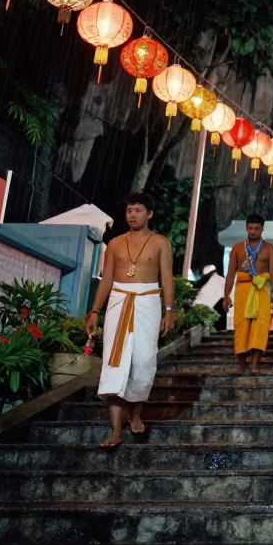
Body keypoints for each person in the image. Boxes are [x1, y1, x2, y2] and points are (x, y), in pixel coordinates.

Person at [85, 192, 174, 448]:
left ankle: (135, 413)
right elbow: (106, 280)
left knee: (143, 361)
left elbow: (166, 277)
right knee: (115, 362)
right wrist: (94, 311)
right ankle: (115, 430)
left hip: (147, 301)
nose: (132, 215)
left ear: (149, 214)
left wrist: (169, 309)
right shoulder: (114, 244)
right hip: (118, 301)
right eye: (129, 211)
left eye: (137, 210)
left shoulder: (160, 243)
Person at [223, 214, 273, 374]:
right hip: (242, 289)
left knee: (260, 326)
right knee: (241, 326)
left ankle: (255, 365)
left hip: (261, 290)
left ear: (262, 229)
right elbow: (230, 273)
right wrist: (226, 296)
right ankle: (241, 365)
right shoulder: (237, 248)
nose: (253, 231)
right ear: (246, 228)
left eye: (256, 228)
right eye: (250, 228)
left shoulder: (269, 248)